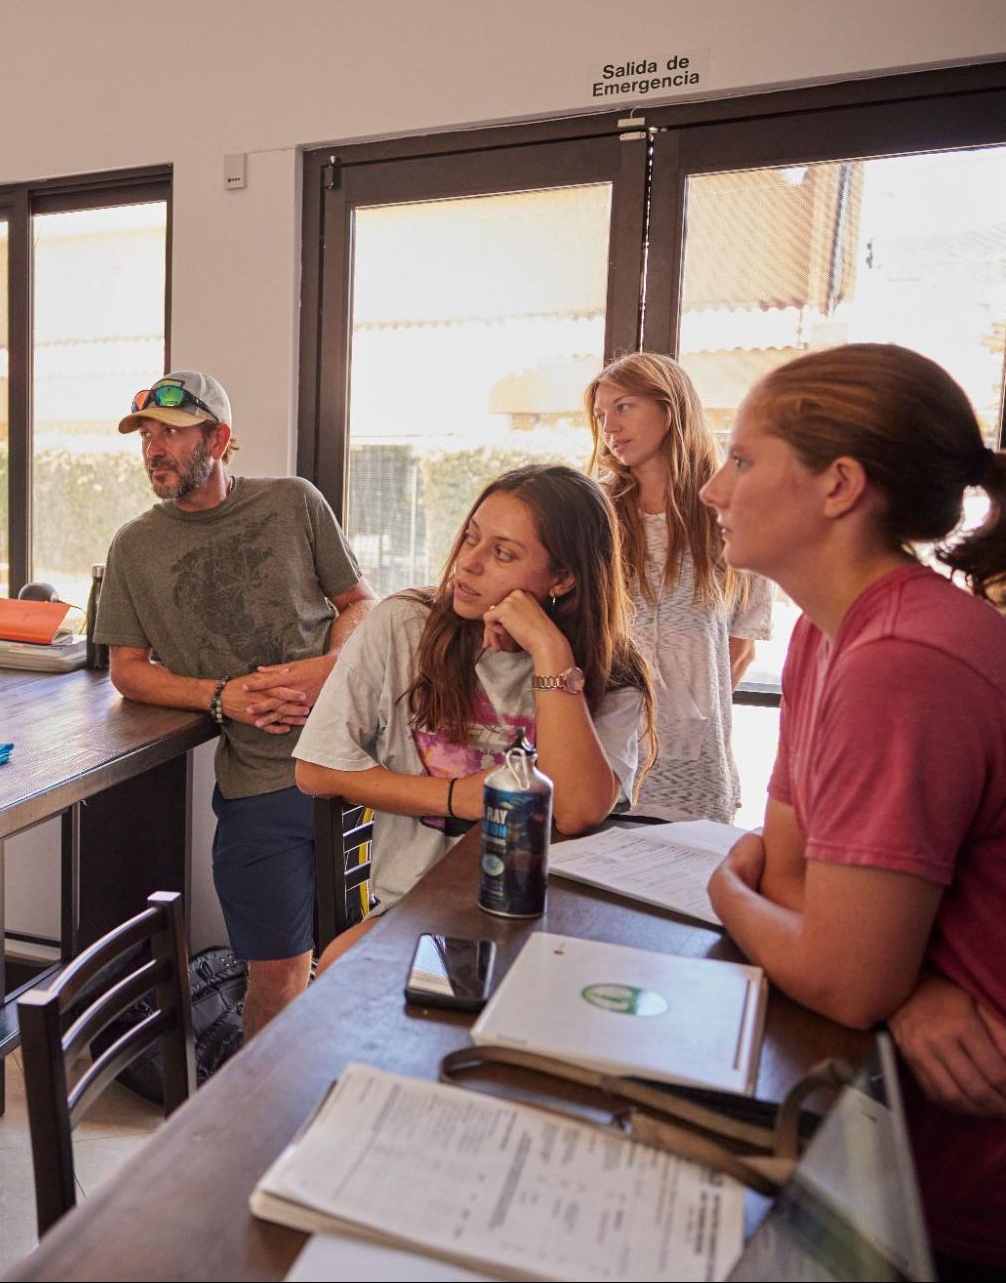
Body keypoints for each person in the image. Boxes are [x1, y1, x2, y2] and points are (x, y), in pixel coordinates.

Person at [700, 344, 1006, 1274]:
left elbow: (837, 973)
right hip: (890, 1109)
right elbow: (793, 877)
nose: (715, 489)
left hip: (968, 1155)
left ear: (838, 485)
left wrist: (723, 889)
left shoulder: (906, 661)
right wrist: (895, 983)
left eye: (744, 460)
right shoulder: (819, 633)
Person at [93, 370, 376, 1037]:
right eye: (145, 436)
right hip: (260, 787)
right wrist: (222, 697)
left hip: (360, 769)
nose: (153, 449)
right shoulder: (135, 547)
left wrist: (329, 670)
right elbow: (127, 672)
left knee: (366, 964)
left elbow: (358, 602)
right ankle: (255, 1126)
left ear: (217, 439)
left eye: (171, 433)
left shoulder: (293, 503)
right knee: (276, 975)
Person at [294, 465, 654, 964]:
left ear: (564, 577)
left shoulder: (609, 669)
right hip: (420, 911)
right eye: (471, 539)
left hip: (559, 921)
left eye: (503, 553)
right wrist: (456, 796)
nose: (468, 563)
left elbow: (574, 811)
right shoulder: (404, 625)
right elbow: (316, 769)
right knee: (339, 970)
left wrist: (550, 652)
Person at [587, 352, 772, 822]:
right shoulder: (594, 511)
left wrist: (686, 714)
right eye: (601, 415)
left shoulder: (732, 512)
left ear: (670, 408)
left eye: (624, 407)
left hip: (695, 765)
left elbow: (741, 646)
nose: (609, 426)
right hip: (601, 751)